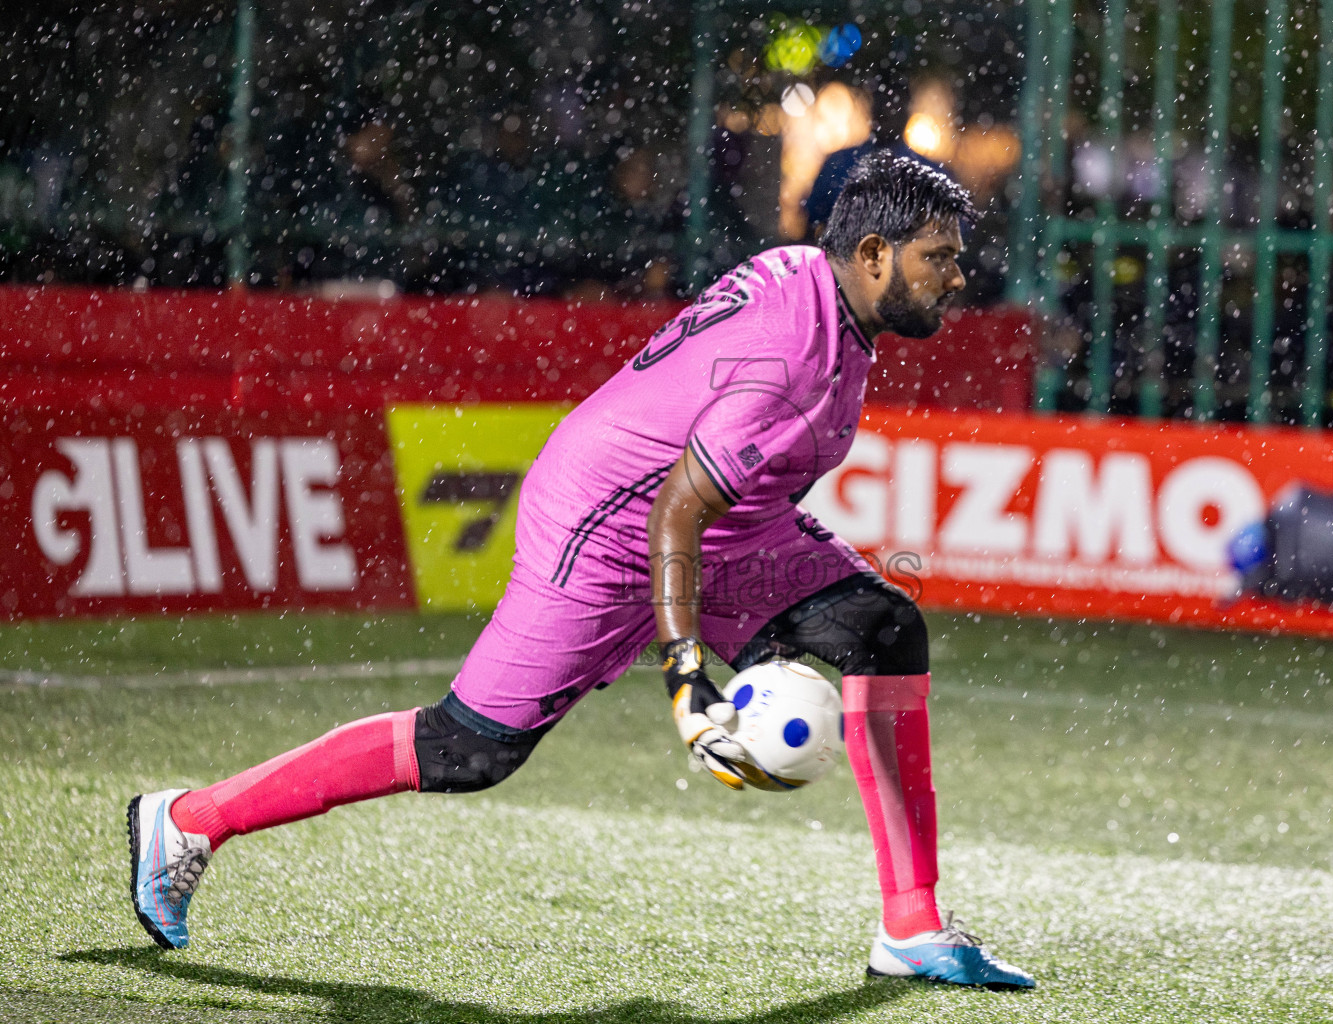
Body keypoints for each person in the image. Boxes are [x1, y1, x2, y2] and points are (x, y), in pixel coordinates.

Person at [126, 152, 1036, 992]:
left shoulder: (814, 277)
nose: (958, 279)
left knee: (884, 628)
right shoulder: (792, 363)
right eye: (940, 258)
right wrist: (689, 678)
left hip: (725, 524)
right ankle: (190, 819)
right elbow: (678, 508)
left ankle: (911, 926)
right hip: (605, 528)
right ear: (873, 253)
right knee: (466, 750)